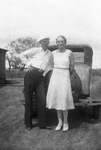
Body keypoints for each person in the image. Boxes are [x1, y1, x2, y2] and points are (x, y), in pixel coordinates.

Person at [19, 35, 53, 130]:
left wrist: (44, 73)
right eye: (43, 41)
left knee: (42, 100)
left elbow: (50, 65)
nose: (45, 43)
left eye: (47, 41)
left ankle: (43, 124)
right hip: (31, 74)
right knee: (28, 99)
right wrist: (28, 65)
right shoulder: (36, 50)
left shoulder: (50, 53)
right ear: (40, 43)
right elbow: (22, 55)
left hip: (41, 77)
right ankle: (28, 124)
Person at [46, 35, 75, 132]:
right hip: (55, 76)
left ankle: (66, 122)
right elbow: (50, 65)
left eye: (62, 41)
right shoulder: (53, 53)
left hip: (65, 76)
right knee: (57, 99)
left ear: (65, 42)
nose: (60, 43)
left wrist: (65, 74)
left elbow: (72, 67)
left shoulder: (69, 53)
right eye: (58, 41)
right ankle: (59, 122)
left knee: (63, 99)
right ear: (56, 43)